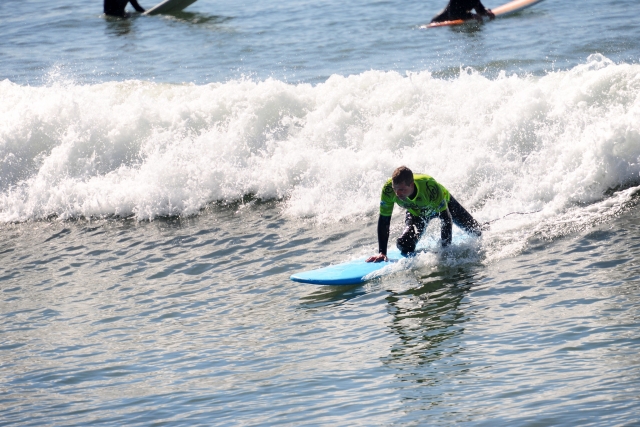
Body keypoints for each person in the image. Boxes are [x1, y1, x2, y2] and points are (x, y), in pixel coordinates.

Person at [366, 166, 482, 263]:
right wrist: (382, 252)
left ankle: (486, 226)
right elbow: (384, 220)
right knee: (404, 245)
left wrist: (445, 251)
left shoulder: (429, 186)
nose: (397, 193)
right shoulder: (388, 190)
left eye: (401, 189)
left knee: (476, 231)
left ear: (411, 184)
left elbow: (446, 219)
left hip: (444, 205)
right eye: (395, 188)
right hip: (417, 213)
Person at [430, 0, 495, 23]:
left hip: (456, 15)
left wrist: (486, 12)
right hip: (438, 21)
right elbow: (453, 14)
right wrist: (471, 16)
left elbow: (479, 9)